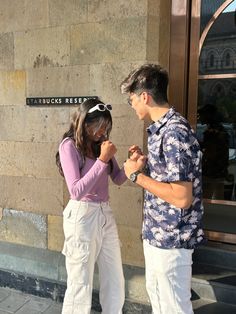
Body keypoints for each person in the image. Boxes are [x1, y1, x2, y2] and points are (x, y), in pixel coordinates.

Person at [120, 64, 205, 314]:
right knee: (160, 304)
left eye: (131, 99)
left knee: (173, 308)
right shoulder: (162, 131)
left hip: (171, 239)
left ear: (144, 96)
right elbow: (171, 183)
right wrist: (144, 167)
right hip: (159, 236)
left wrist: (135, 176)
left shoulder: (173, 133)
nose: (132, 104)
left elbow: (181, 197)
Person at [56, 98, 127, 314]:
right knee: (80, 283)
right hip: (82, 216)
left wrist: (134, 165)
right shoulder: (69, 146)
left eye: (106, 127)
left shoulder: (99, 146)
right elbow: (76, 191)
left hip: (105, 213)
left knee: (115, 277)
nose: (102, 132)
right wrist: (102, 160)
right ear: (84, 122)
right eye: (99, 126)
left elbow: (118, 177)